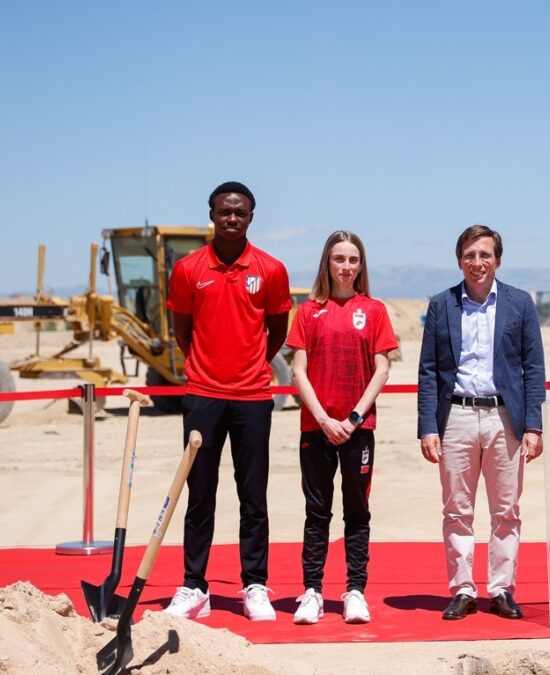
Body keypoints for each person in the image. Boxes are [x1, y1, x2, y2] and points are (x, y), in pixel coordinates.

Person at [163, 181, 292, 622]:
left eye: (239, 212)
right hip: (203, 395)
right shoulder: (187, 269)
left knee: (253, 496)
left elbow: (276, 331)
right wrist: (207, 367)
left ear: (251, 217)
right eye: (224, 211)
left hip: (254, 396)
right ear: (212, 214)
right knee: (200, 494)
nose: (231, 218)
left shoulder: (271, 270)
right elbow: (183, 330)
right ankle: (194, 586)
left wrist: (251, 363)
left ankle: (254, 585)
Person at [417, 225, 546, 621]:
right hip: (454, 417)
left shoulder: (520, 303)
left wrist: (534, 424)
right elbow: (428, 370)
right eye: (470, 255)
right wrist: (427, 426)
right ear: (459, 260)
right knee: (457, 509)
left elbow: (533, 366)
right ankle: (463, 589)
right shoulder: (442, 305)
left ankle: (502, 589)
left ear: (498, 260)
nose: (478, 262)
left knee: (506, 510)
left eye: (485, 255)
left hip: (505, 417)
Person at [286, 231, 398, 625]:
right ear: (327, 264)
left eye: (353, 260)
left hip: (357, 429)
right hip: (316, 428)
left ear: (361, 265)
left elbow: (382, 368)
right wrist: (323, 419)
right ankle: (312, 592)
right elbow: (298, 370)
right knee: (317, 513)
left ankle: (355, 591)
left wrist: (351, 419)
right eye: (339, 259)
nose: (346, 267)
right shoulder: (307, 312)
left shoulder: (375, 310)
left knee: (357, 511)